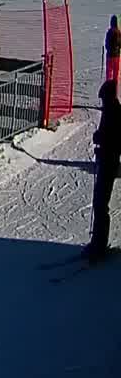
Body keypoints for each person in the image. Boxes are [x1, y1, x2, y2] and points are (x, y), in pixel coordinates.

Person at [88, 81, 120, 262]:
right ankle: (97, 241)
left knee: (101, 204)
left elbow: (115, 140)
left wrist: (102, 143)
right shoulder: (110, 111)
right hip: (106, 160)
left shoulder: (115, 113)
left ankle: (100, 245)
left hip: (110, 162)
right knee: (98, 202)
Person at [105, 16, 119, 86]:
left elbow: (106, 44)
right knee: (116, 73)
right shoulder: (119, 33)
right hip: (117, 56)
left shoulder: (109, 32)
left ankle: (108, 87)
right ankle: (115, 88)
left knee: (109, 73)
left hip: (110, 56)